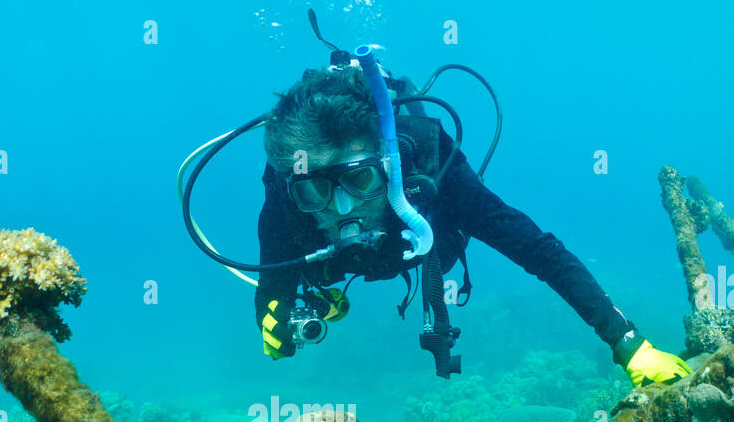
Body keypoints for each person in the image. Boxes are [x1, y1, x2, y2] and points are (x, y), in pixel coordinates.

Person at [255, 62, 691, 387]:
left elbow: (537, 250)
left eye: (360, 178)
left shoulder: (430, 166)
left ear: (389, 164)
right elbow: (271, 290)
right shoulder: (285, 195)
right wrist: (277, 327)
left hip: (428, 235)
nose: (343, 207)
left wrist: (630, 343)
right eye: (316, 191)